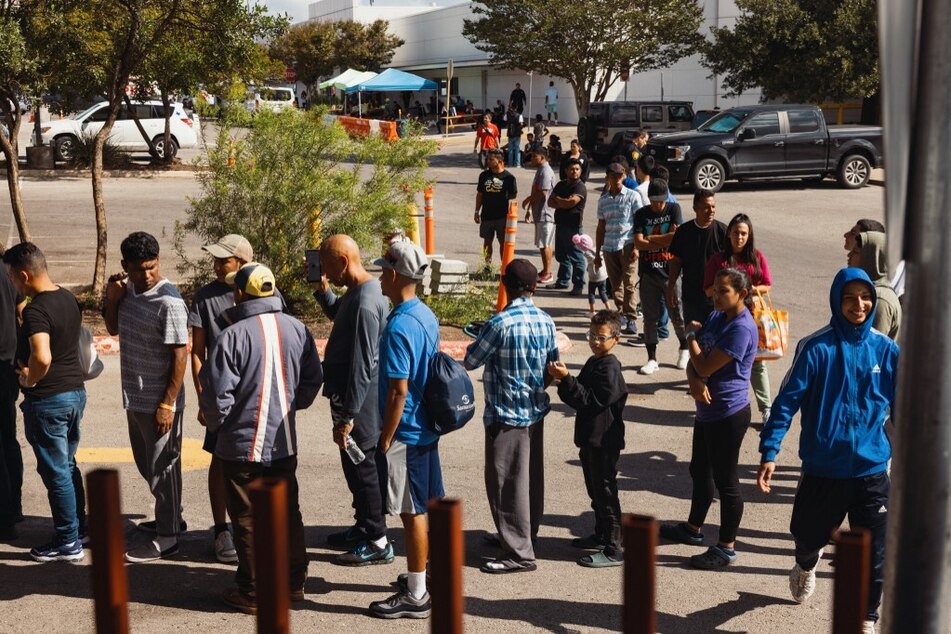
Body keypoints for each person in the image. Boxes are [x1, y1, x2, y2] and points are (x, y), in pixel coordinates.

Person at [757, 268, 898, 633]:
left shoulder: (886, 349)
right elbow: (786, 402)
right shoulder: (815, 347)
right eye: (850, 297)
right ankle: (806, 562)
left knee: (875, 555)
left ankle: (866, 618)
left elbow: (905, 407)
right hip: (823, 470)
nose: (859, 304)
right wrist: (770, 451)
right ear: (837, 300)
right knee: (807, 536)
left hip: (872, 472)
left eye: (865, 297)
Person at [199, 263, 323, 614]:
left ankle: (253, 592)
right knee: (288, 513)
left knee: (248, 519)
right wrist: (289, 405)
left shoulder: (232, 335)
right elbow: (313, 379)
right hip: (283, 442)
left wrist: (221, 425)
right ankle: (294, 583)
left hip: (241, 446)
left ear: (239, 293)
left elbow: (216, 395)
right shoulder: (298, 329)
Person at [464, 258, 558, 573]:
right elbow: (552, 367)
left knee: (506, 482)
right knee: (529, 480)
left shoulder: (500, 323)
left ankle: (519, 553)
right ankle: (523, 535)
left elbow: (472, 360)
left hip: (505, 413)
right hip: (535, 410)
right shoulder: (546, 321)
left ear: (505, 284)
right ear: (534, 287)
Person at [660, 268, 759, 569]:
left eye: (724, 291)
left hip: (728, 413)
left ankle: (726, 546)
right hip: (707, 410)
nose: (716, 295)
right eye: (715, 289)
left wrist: (690, 337)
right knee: (698, 469)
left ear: (742, 294)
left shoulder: (742, 328)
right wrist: (694, 379)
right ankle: (693, 529)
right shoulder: (718, 315)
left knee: (725, 481)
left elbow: (702, 362)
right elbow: (698, 362)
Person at [103, 231, 188, 563]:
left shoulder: (169, 301)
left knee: (163, 468)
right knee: (148, 466)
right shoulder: (127, 292)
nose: (147, 275)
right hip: (135, 398)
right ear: (126, 266)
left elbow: (180, 354)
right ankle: (171, 520)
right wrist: (113, 297)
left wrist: (167, 403)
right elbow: (112, 328)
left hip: (159, 403)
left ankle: (169, 537)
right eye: (139, 269)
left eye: (152, 267)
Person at [369, 241, 442, 619]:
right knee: (423, 506)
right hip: (425, 425)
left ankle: (417, 594)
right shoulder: (425, 315)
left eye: (383, 270)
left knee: (411, 512)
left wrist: (386, 436)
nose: (380, 276)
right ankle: (422, 576)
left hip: (408, 431)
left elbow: (398, 390)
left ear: (396, 275)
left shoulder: (398, 325)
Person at [3, 243, 86, 561]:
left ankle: (67, 541)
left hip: (49, 399)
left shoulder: (37, 309)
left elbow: (42, 355)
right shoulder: (66, 297)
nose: (11, 283)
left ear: (23, 274)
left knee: (56, 472)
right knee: (68, 464)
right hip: (74, 393)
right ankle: (79, 529)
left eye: (12, 277)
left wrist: (28, 379)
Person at [313, 235, 392, 566]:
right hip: (351, 400)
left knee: (364, 467)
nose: (327, 273)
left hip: (359, 403)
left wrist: (348, 415)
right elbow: (341, 318)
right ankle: (364, 525)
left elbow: (363, 363)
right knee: (355, 464)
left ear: (343, 262)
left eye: (329, 267)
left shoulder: (364, 301)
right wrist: (323, 291)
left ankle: (377, 539)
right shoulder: (357, 293)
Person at [188, 234, 256, 564]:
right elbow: (197, 352)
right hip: (221, 396)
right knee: (219, 461)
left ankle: (254, 528)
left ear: (241, 263)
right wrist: (204, 397)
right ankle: (221, 530)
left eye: (223, 260)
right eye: (214, 260)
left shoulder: (262, 289)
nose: (216, 265)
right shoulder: (204, 297)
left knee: (257, 463)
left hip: (255, 396)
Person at [547, 310, 627, 567]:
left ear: (616, 338)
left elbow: (591, 401)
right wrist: (564, 380)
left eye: (601, 337)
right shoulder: (595, 362)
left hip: (604, 440)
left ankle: (614, 548)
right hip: (590, 439)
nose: (595, 341)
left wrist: (567, 379)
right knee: (595, 490)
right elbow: (576, 398)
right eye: (591, 335)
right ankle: (602, 534)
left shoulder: (610, 367)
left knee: (605, 492)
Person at [703, 213, 773, 423]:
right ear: (729, 234)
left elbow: (767, 285)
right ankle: (718, 402)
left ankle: (766, 408)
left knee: (758, 365)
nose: (739, 237)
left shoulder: (757, 257)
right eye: (736, 233)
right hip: (724, 321)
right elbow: (707, 290)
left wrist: (747, 290)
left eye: (744, 233)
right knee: (721, 363)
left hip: (753, 320)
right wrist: (725, 293)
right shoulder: (718, 259)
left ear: (749, 235)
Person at [632, 179, 687, 375]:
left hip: (670, 272)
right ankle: (652, 358)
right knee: (650, 318)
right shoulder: (641, 214)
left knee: (677, 315)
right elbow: (639, 244)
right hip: (648, 274)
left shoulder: (674, 209)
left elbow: (677, 238)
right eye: (655, 201)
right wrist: (662, 240)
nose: (658, 205)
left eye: (661, 201)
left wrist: (651, 239)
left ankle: (684, 348)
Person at [667, 189, 728, 326]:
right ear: (696, 208)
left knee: (715, 340)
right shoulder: (683, 232)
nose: (711, 210)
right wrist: (671, 286)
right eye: (706, 207)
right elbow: (676, 261)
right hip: (692, 297)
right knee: (694, 336)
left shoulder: (723, 232)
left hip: (717, 298)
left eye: (713, 206)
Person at [595, 162, 641, 335]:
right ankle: (621, 312)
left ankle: (631, 318)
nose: (616, 179)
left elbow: (639, 223)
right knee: (616, 285)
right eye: (613, 176)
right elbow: (601, 227)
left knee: (629, 283)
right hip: (609, 247)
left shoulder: (632, 196)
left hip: (628, 245)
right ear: (607, 178)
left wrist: (637, 247)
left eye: (620, 176)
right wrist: (598, 253)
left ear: (624, 176)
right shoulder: (603, 200)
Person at [0, 266, 23, 542]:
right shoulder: (8, 272)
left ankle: (5, 518)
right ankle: (13, 508)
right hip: (8, 367)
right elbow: (21, 313)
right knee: (8, 439)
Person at [847, 231, 901, 340]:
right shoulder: (870, 289)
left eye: (856, 252)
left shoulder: (880, 299)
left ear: (872, 257)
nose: (849, 255)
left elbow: (872, 348)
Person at [547, 158, 588, 294]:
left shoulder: (580, 187)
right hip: (560, 225)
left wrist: (559, 200)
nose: (574, 172)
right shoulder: (561, 185)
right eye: (572, 169)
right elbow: (550, 202)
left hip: (573, 227)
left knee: (576, 257)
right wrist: (561, 201)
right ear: (566, 171)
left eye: (577, 169)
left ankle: (578, 285)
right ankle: (563, 281)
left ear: (580, 171)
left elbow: (571, 203)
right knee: (561, 256)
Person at [475, 149, 518, 265]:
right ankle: (487, 266)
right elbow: (480, 194)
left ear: (499, 161)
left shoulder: (509, 177)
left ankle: (504, 267)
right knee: (487, 241)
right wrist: (476, 211)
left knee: (503, 242)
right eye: (487, 159)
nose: (488, 161)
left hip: (502, 217)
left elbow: (513, 196)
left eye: (491, 159)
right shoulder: (484, 176)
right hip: (486, 215)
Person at [522, 148, 557, 284]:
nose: (531, 159)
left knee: (545, 244)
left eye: (534, 157)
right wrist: (530, 210)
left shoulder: (546, 172)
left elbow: (543, 192)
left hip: (546, 213)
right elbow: (537, 190)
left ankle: (548, 272)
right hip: (539, 213)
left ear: (542, 157)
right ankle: (545, 270)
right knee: (542, 244)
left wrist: (527, 199)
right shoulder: (540, 170)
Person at [573, 234, 610, 316]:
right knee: (603, 293)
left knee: (591, 294)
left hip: (594, 277)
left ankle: (592, 311)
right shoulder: (598, 250)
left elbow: (591, 259)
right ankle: (609, 309)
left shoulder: (587, 254)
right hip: (603, 276)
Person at [502, 103, 525, 168]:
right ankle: (517, 164)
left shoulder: (507, 114)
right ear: (516, 108)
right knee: (517, 149)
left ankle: (510, 163)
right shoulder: (519, 115)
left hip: (510, 133)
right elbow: (521, 124)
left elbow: (504, 121)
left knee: (510, 149)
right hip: (517, 134)